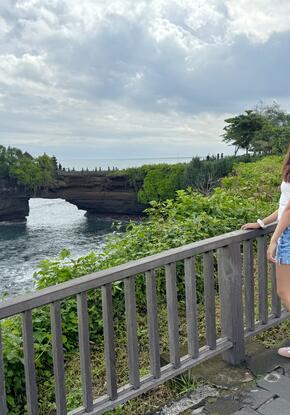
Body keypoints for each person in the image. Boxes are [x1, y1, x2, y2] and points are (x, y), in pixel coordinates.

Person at [241, 143, 290, 358]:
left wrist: (273, 239)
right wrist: (261, 222)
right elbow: (283, 206)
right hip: (285, 231)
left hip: (287, 235)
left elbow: (289, 210)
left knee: (284, 292)